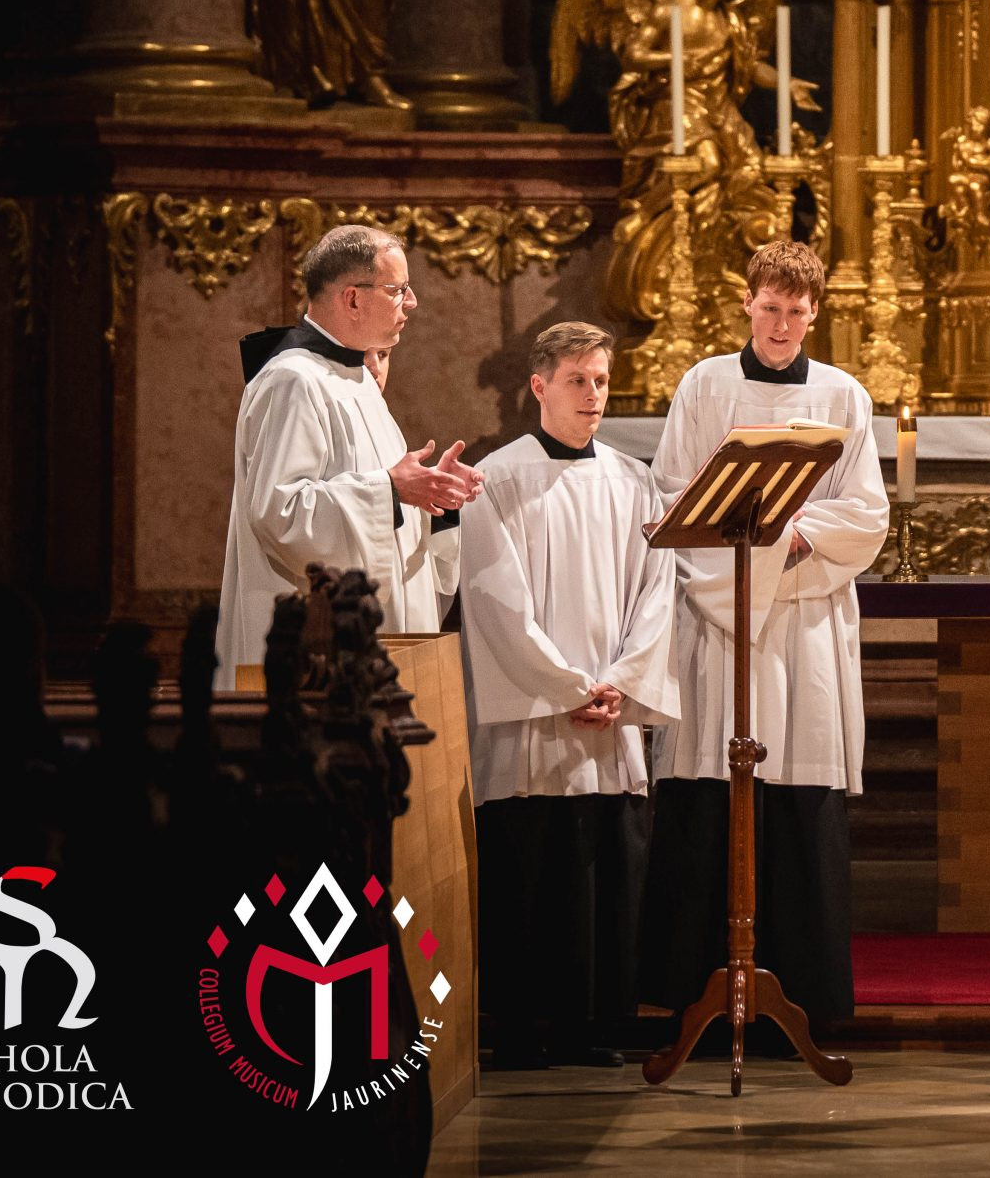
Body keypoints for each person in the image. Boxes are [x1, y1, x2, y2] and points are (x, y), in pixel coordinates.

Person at [638, 241, 889, 1038]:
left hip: (803, 624)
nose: (781, 325)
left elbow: (866, 513)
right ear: (747, 302)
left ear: (816, 312)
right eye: (770, 307)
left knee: (798, 794)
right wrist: (754, 554)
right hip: (720, 625)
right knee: (710, 787)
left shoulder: (843, 394)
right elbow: (672, 495)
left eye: (796, 311)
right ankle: (694, 1000)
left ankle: (804, 1004)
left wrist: (790, 539)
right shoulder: (705, 384)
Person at [459, 322, 679, 1068]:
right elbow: (495, 601)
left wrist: (621, 682)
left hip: (608, 712)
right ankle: (522, 1028)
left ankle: (591, 1024)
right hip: (534, 720)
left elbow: (658, 591)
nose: (593, 394)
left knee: (601, 869)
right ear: (539, 386)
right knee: (534, 867)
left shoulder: (633, 480)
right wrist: (563, 688)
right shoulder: (497, 479)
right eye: (578, 380)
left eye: (602, 380)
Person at [219, 225, 479, 676]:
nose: (412, 302)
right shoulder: (292, 379)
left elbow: (385, 510)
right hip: (318, 651)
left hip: (378, 645)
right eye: (397, 289)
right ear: (353, 299)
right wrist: (391, 490)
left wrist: (434, 498)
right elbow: (280, 513)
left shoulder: (356, 381)